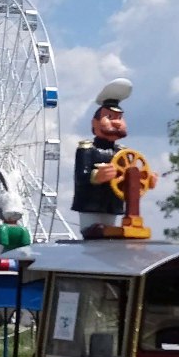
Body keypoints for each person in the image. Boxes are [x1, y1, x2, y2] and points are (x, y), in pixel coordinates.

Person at [71, 78, 133, 238]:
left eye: (119, 118)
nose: (117, 123)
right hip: (90, 205)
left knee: (109, 234)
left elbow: (128, 179)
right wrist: (96, 176)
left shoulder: (122, 153)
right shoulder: (87, 149)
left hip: (112, 205)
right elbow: (81, 176)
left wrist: (140, 179)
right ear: (95, 123)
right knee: (94, 232)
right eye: (110, 117)